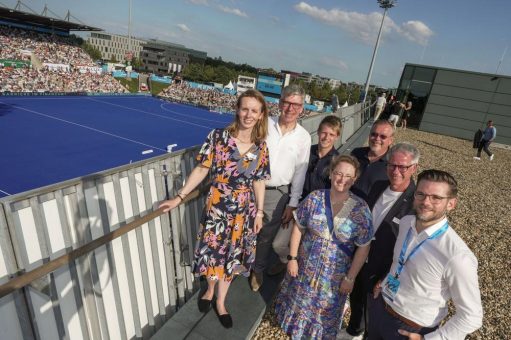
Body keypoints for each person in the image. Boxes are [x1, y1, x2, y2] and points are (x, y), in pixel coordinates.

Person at [159, 89, 270, 328]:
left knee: (231, 257)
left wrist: (259, 212)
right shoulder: (217, 137)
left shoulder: (261, 147)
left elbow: (260, 180)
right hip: (217, 207)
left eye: (254, 110)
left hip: (243, 211)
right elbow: (201, 169)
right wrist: (179, 197)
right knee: (213, 253)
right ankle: (209, 290)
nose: (248, 115)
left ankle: (221, 301)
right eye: (244, 109)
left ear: (261, 115)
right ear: (237, 110)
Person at [369, 170, 483, 340]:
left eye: (436, 197)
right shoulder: (407, 223)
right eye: (420, 194)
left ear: (451, 204)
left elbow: (472, 316)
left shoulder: (457, 256)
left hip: (411, 329)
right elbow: (400, 263)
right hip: (380, 308)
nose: (425, 202)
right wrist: (385, 282)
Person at [274, 155, 373, 339]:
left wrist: (350, 278)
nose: (342, 179)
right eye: (338, 173)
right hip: (305, 268)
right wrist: (292, 258)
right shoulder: (315, 198)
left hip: (334, 277)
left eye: (348, 176)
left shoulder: (361, 209)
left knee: (325, 311)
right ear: (331, 174)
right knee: (300, 302)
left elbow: (363, 247)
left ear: (355, 179)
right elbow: (298, 227)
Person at [338, 143, 419, 340]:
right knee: (356, 295)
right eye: (392, 165)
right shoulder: (379, 186)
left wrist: (386, 277)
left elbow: (410, 249)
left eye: (403, 167)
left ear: (414, 168)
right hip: (360, 255)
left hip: (382, 266)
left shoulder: (416, 204)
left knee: (373, 308)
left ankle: (366, 334)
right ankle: (353, 330)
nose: (396, 171)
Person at [250, 84, 311, 291]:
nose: (290, 108)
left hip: (277, 193)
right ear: (279, 102)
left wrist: (293, 203)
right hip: (250, 187)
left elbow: (300, 173)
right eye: (287, 102)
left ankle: (257, 269)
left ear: (302, 108)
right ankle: (238, 264)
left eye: (296, 104)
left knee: (265, 235)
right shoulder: (264, 124)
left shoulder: (304, 137)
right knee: (242, 229)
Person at [268, 115, 342, 277]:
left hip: (318, 213)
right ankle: (286, 260)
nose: (326, 137)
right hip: (296, 206)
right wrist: (291, 204)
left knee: (307, 248)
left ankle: (296, 269)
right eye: (324, 132)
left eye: (331, 134)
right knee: (278, 244)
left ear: (337, 137)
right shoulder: (307, 151)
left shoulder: (337, 162)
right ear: (318, 131)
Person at [344, 119, 394, 339]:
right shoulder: (357, 153)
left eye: (383, 136)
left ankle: (357, 329)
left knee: (363, 286)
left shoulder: (392, 166)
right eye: (374, 134)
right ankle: (345, 315)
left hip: (368, 233)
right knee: (342, 274)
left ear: (391, 140)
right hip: (344, 226)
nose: (377, 138)